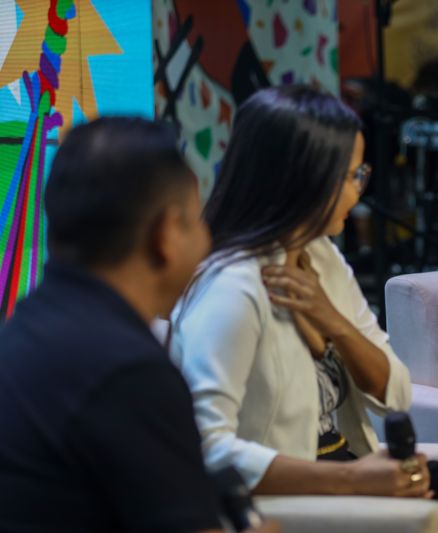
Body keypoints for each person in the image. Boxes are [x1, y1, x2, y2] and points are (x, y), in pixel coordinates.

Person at [168, 85, 438, 533]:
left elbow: (395, 394)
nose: (359, 193)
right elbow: (205, 449)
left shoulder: (320, 257)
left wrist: (335, 324)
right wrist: (352, 479)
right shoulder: (232, 289)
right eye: (352, 176)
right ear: (305, 179)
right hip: (301, 492)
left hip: (349, 467)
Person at [0, 118, 275, 532]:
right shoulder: (131, 374)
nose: (206, 241)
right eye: (197, 220)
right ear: (167, 234)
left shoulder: (22, 332)